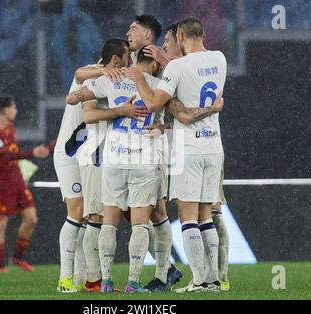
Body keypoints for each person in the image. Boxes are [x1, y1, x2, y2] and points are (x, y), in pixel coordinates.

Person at [129, 17, 227, 292]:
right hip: (213, 146)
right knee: (206, 215)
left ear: (181, 36)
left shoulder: (177, 68)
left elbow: (151, 103)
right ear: (203, 33)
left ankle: (199, 280)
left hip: (190, 150)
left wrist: (139, 78)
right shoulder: (220, 58)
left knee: (188, 217)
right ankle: (213, 280)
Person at [65, 38, 147, 292]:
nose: (130, 61)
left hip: (115, 155)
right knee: (95, 217)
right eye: (127, 57)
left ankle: (105, 279)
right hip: (95, 154)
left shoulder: (124, 78)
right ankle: (94, 279)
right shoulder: (96, 78)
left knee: (110, 217)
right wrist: (121, 111)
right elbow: (86, 113)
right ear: (115, 60)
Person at [0, 95, 52, 273]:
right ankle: (0, 266)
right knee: (1, 222)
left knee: (31, 218)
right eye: (13, 107)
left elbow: (12, 155)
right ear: (4, 110)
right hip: (1, 185)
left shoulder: (11, 128)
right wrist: (32, 153)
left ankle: (17, 257)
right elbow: (6, 156)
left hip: (17, 181)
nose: (15, 111)